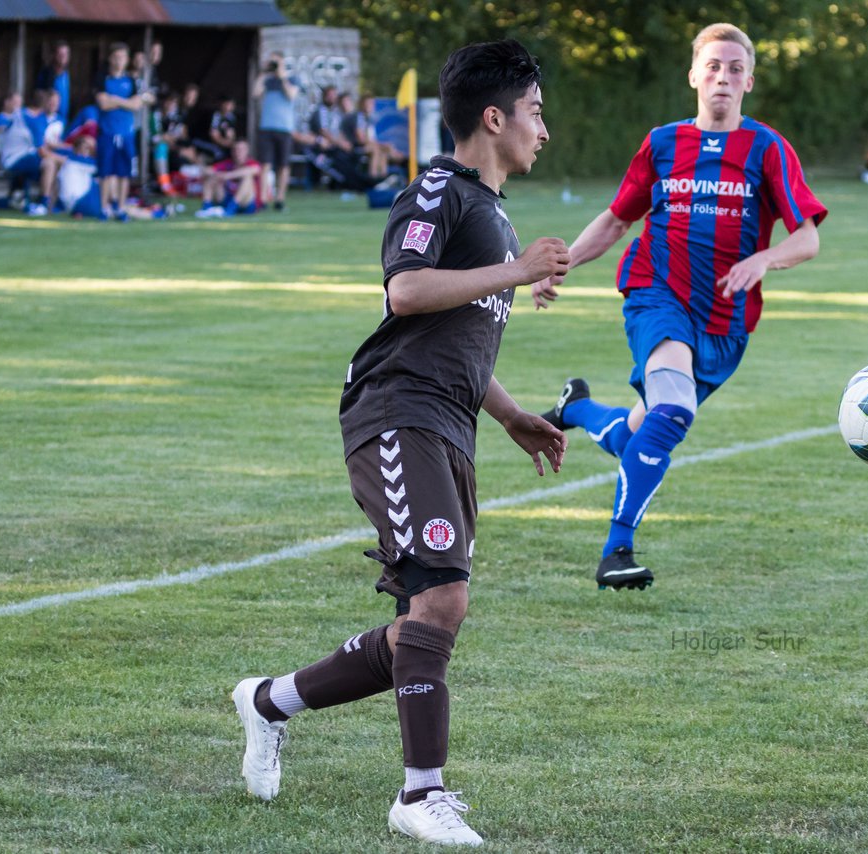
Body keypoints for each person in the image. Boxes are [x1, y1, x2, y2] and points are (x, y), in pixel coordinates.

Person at [232, 39, 569, 847]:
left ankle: (268, 702)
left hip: (448, 421)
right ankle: (421, 795)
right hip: (396, 413)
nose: (544, 130)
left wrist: (512, 413)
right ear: (494, 118)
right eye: (534, 112)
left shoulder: (493, 212)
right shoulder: (437, 191)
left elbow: (457, 340)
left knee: (427, 618)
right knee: (442, 597)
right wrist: (516, 273)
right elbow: (407, 292)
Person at [532, 23, 826, 590]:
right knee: (672, 414)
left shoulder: (766, 148)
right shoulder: (663, 143)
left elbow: (806, 237)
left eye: (735, 68)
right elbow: (619, 218)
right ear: (694, 75)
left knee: (636, 434)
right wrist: (559, 265)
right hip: (656, 294)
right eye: (713, 66)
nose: (723, 76)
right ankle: (617, 551)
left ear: (749, 81)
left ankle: (576, 408)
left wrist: (764, 260)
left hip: (724, 323)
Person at [95, 42, 153, 221]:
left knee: (124, 173)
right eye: (116, 57)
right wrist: (125, 102)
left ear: (127, 60)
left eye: (123, 57)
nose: (119, 61)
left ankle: (121, 207)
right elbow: (103, 103)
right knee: (106, 172)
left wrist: (115, 100)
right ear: (111, 59)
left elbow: (137, 104)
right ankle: (104, 207)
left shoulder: (131, 81)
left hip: (126, 133)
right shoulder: (102, 79)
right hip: (107, 132)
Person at [252, 50, 299, 211]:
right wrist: (263, 73)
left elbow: (291, 95)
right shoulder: (267, 80)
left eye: (276, 62)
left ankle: (280, 199)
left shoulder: (291, 79)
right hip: (267, 127)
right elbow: (255, 93)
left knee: (283, 166)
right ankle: (263, 198)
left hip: (285, 128)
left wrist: (282, 75)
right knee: (265, 164)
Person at [195, 138, 262, 218]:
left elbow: (254, 170)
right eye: (236, 149)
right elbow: (207, 170)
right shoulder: (227, 163)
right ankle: (206, 207)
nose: (238, 152)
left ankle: (231, 208)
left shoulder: (252, 163)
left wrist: (228, 175)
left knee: (247, 178)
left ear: (247, 151)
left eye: (241, 149)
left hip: (246, 203)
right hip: (226, 199)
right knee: (212, 177)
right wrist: (216, 174)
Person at [34, 40, 70, 125]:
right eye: (60, 54)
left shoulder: (66, 74)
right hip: (49, 120)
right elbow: (38, 94)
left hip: (63, 120)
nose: (62, 57)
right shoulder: (46, 73)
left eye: (65, 54)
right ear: (54, 55)